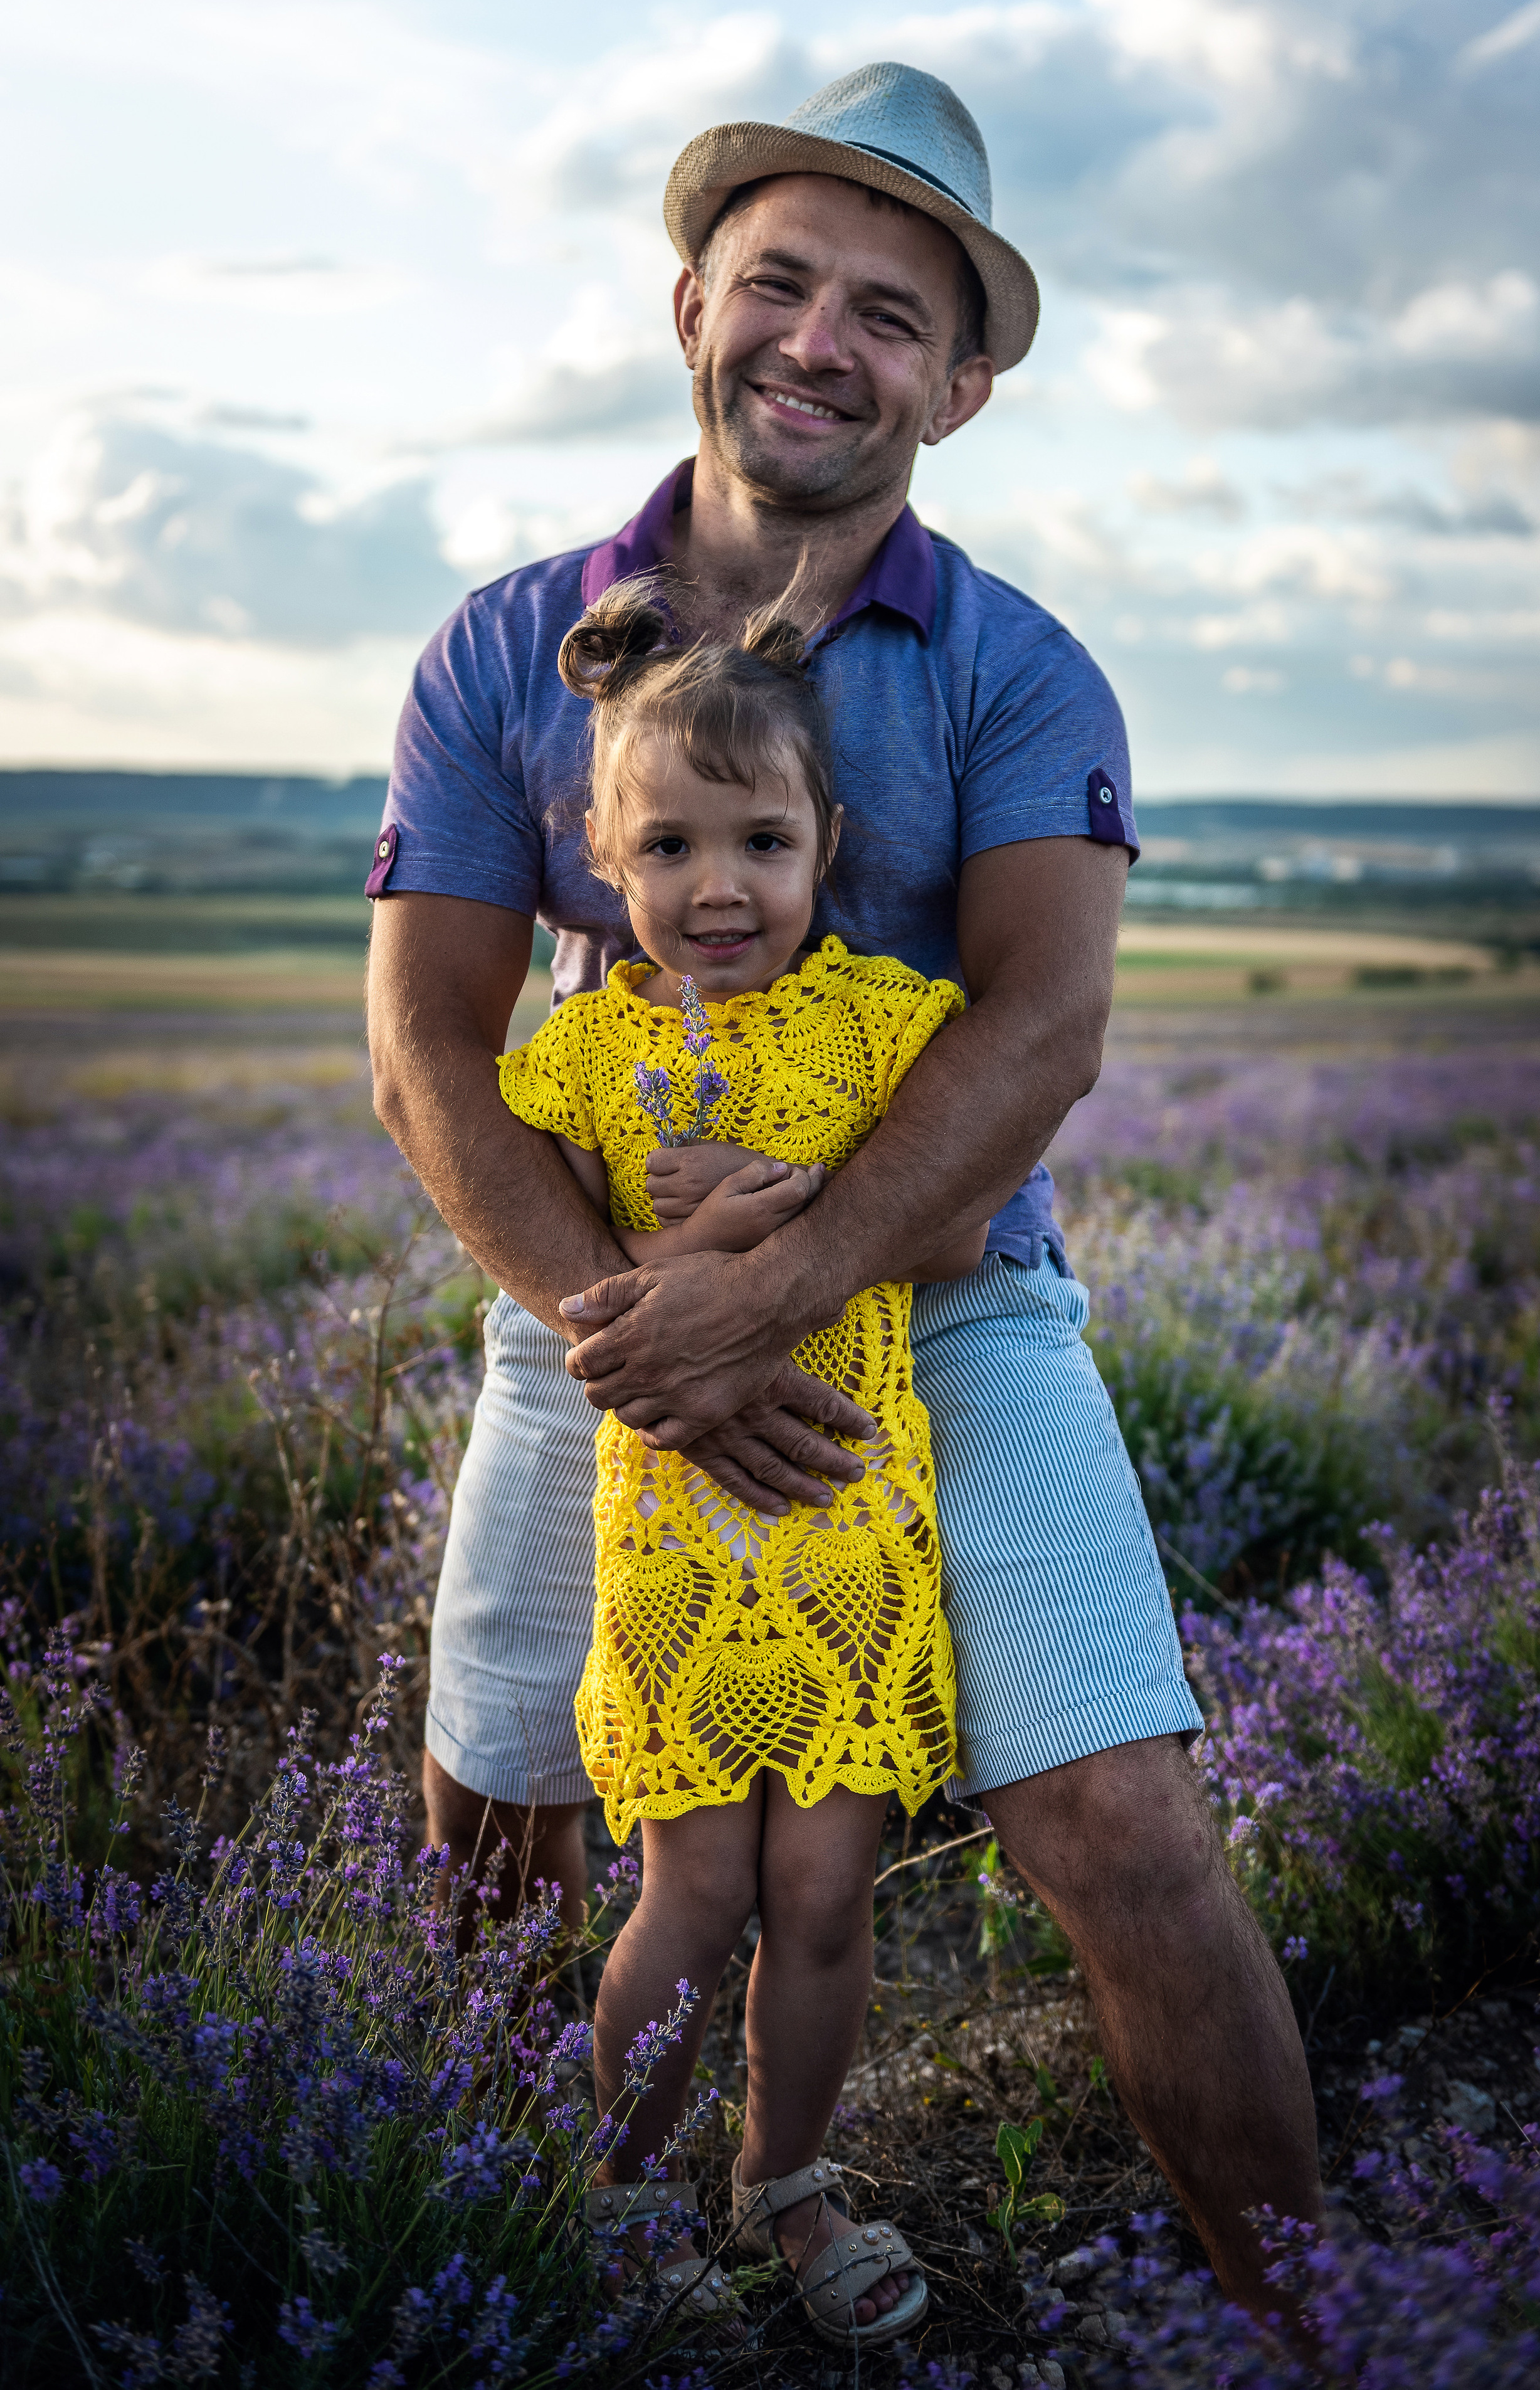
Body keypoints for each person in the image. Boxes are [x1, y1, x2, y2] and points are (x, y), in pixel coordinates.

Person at [366, 61, 1323, 2319]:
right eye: (779, 278)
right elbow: (426, 1049)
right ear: (691, 299)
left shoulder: (1016, 667)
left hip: (951, 1298)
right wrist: (643, 1326)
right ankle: (516, 2268)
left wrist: (774, 1289)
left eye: (891, 313)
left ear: (962, 386)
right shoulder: (505, 651)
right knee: (494, 1822)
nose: (819, 337)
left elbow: (1036, 1035)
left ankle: (1337, 2325)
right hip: (592, 1301)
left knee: (1121, 1827)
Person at [498, 574, 988, 2339]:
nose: (723, 885)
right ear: (604, 858)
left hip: (850, 1515)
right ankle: (607, 2183)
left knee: (826, 1889)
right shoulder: (583, 1053)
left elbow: (967, 1218)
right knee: (693, 1890)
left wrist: (790, 1209)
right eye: (675, 845)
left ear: (826, 840)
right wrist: (669, 1256)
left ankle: (784, 2178)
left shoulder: (881, 1023)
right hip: (682, 1529)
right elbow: (547, 1249)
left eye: (764, 840)